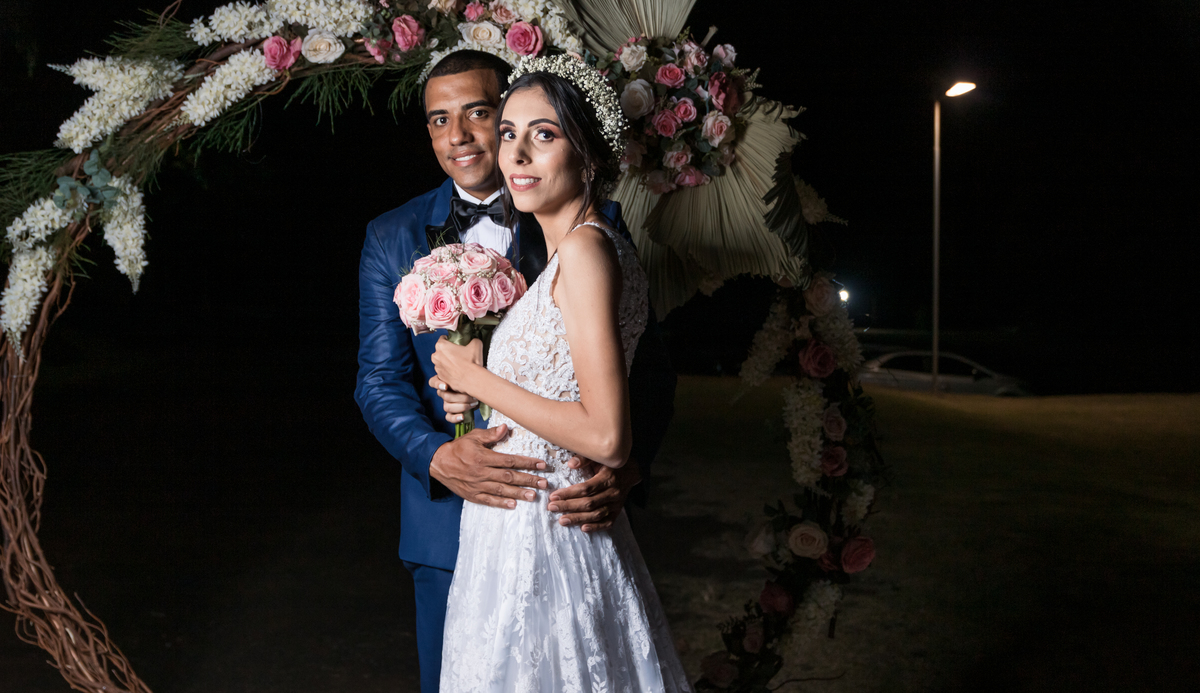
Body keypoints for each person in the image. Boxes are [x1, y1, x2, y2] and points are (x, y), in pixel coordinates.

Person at [353, 50, 676, 693]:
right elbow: (378, 380)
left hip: (562, 515)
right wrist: (437, 456)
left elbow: (649, 363)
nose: (459, 136)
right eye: (439, 120)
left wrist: (628, 466)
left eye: (479, 113)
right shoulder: (391, 235)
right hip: (447, 528)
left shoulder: (587, 228)